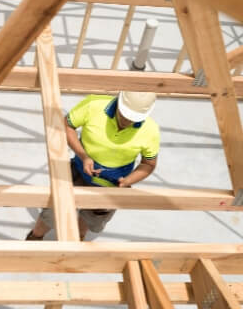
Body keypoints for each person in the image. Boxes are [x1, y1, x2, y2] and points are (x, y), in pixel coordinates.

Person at [26, 91, 160, 241]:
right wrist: (83, 156)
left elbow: (148, 164)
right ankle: (35, 237)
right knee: (54, 210)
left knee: (92, 217)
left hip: (112, 185)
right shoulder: (94, 105)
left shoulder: (150, 130)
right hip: (78, 171)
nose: (126, 121)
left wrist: (128, 181)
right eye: (124, 115)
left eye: (132, 119)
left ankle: (78, 240)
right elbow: (67, 125)